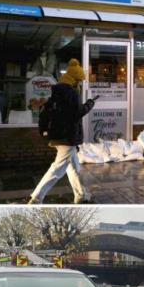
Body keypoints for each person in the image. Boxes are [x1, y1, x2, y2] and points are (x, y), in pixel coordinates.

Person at [29, 58, 96, 204]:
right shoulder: (71, 93)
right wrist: (90, 104)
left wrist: (44, 131)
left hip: (57, 135)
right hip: (67, 137)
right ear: (75, 80)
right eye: (79, 81)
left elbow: (49, 112)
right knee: (57, 169)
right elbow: (77, 113)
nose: (80, 84)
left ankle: (80, 195)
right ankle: (37, 198)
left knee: (73, 168)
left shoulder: (55, 91)